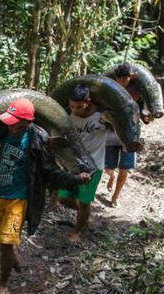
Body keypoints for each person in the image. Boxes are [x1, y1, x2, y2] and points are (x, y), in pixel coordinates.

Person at [0, 98, 91, 294]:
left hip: (17, 199)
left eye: (14, 121)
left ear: (26, 122)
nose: (9, 124)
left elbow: (49, 171)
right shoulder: (0, 131)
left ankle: (2, 283)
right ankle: (11, 257)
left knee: (7, 243)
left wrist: (75, 179)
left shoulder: (38, 139)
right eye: (8, 119)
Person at [56, 84, 108, 242]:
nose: (75, 110)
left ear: (88, 101)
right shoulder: (68, 116)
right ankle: (84, 216)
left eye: (79, 106)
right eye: (71, 106)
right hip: (73, 165)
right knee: (63, 198)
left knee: (85, 201)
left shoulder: (102, 116)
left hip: (94, 166)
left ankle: (78, 230)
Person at [105, 62, 145, 207]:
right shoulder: (109, 89)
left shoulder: (138, 91)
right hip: (111, 132)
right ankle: (111, 176)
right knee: (108, 167)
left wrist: (146, 116)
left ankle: (115, 196)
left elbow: (144, 112)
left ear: (131, 77)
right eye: (119, 79)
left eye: (124, 79)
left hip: (131, 134)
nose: (121, 82)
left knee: (125, 167)